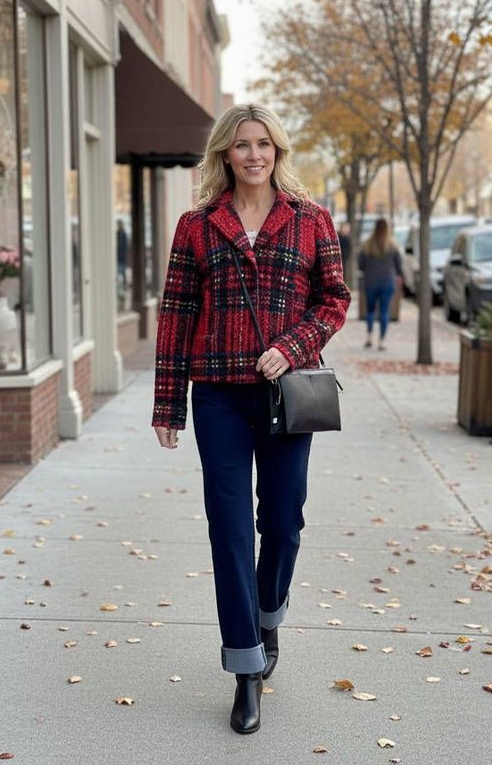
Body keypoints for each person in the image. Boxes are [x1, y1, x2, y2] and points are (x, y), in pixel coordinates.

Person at [152, 104, 350, 735]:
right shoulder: (197, 226)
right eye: (242, 146)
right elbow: (176, 315)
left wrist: (290, 347)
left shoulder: (312, 220)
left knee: (284, 520)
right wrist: (168, 405)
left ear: (279, 152)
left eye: (265, 144)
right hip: (219, 397)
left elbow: (334, 299)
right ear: (225, 155)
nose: (255, 155)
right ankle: (245, 669)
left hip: (288, 392)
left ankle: (269, 614)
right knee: (230, 530)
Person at [357, 217, 403, 350]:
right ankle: (382, 341)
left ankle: (369, 337)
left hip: (370, 281)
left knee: (370, 310)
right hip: (387, 282)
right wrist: (399, 275)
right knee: (384, 311)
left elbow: (361, 265)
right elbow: (399, 265)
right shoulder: (393, 245)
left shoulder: (367, 245)